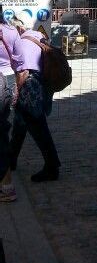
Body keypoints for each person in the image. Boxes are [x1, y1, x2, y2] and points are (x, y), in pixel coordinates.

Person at [8, 13, 60, 182]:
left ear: (17, 28)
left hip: (30, 86)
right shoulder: (38, 35)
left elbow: (22, 73)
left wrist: (15, 94)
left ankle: (52, 166)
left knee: (38, 127)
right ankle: (11, 160)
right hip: (42, 84)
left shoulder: (21, 42)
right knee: (20, 123)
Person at [0, 6, 29, 203]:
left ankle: (7, 186)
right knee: (2, 133)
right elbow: (22, 69)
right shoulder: (11, 31)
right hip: (7, 85)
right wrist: (17, 92)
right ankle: (7, 183)